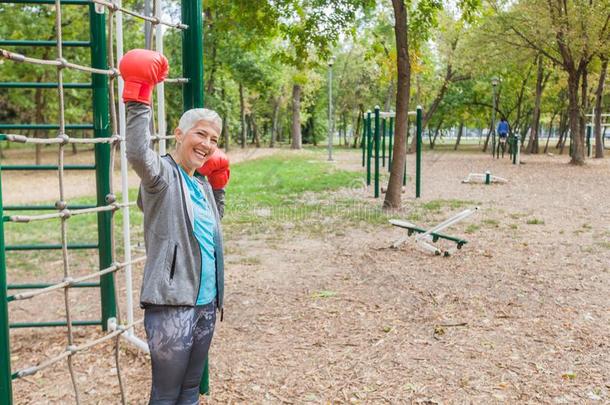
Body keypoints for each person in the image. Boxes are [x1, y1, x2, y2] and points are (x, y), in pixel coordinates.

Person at [120, 48, 230, 404]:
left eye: (214, 140)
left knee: (190, 389)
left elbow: (210, 229)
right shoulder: (161, 176)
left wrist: (218, 186)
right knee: (166, 394)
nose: (207, 145)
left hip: (204, 303)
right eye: (201, 135)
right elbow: (137, 152)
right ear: (179, 133)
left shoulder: (199, 184)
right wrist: (138, 97)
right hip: (171, 303)